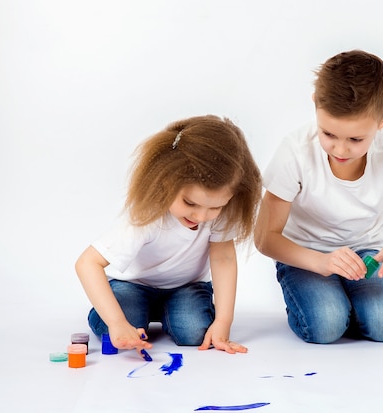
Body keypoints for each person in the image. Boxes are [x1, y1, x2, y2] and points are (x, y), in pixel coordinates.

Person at [254, 50, 383, 344]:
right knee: (326, 325)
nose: (340, 150)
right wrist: (320, 263)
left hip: (365, 255)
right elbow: (265, 238)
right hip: (306, 256)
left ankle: (346, 304)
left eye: (356, 139)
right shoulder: (295, 151)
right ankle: (334, 305)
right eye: (328, 134)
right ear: (315, 105)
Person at [76, 115, 262, 357]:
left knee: (195, 333)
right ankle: (126, 315)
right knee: (117, 325)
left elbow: (223, 258)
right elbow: (87, 263)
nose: (202, 216)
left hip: (185, 287)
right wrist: (116, 323)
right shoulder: (148, 215)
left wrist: (224, 321)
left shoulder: (221, 211)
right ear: (166, 182)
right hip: (133, 285)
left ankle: (169, 312)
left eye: (215, 207)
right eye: (190, 202)